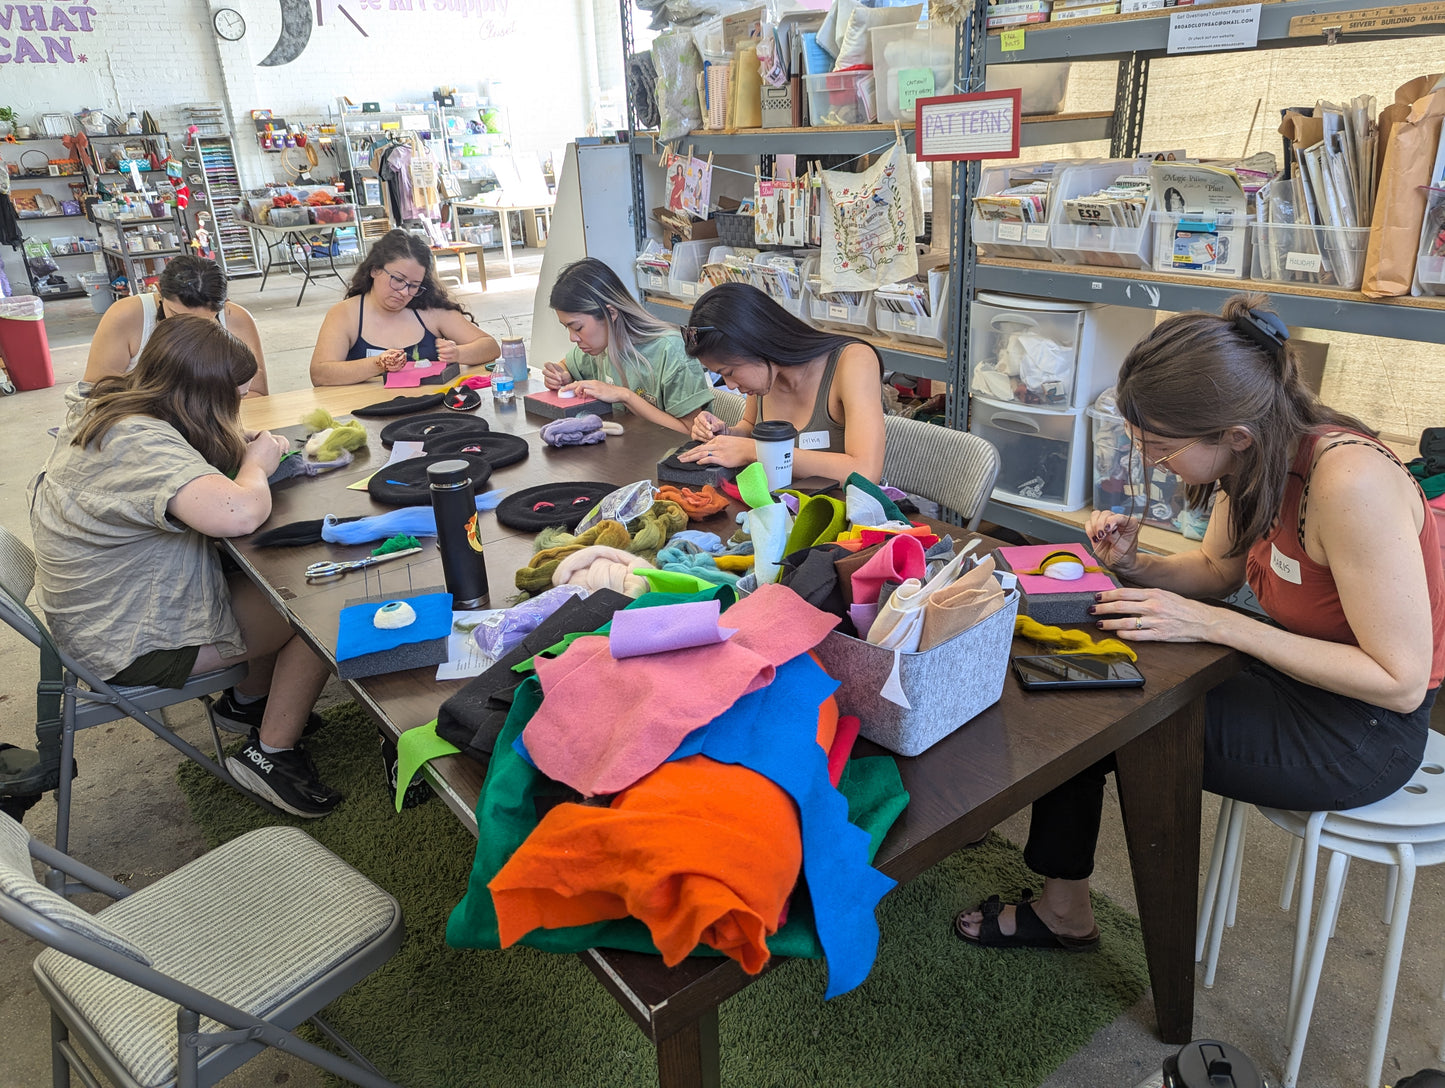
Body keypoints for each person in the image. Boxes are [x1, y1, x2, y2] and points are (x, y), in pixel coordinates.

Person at [956, 294, 1444, 951]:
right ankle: (1050, 890)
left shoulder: (1344, 481)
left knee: (1096, 725)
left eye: (1160, 450)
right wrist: (1135, 566)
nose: (1154, 465)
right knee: (1084, 676)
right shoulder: (1257, 454)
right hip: (1285, 669)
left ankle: (1068, 915)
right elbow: (1216, 570)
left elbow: (1399, 681)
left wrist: (1217, 627)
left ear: (1231, 433)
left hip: (1360, 728)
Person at [30, 316, 344, 819]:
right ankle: (271, 755)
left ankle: (247, 700)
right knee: (320, 603)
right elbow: (239, 513)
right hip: (133, 646)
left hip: (99, 623)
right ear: (202, 396)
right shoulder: (137, 442)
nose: (238, 409)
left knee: (258, 574)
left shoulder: (111, 407)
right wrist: (257, 463)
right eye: (233, 398)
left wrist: (235, 447)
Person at [678, 282, 886, 482]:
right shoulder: (765, 379)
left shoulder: (854, 361)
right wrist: (727, 435)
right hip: (776, 505)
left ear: (756, 343)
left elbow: (865, 471)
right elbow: (750, 427)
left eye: (730, 372)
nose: (730, 385)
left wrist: (753, 451)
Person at [540, 257, 714, 434]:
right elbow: (566, 365)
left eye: (578, 327)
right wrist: (561, 375)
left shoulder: (671, 351)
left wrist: (624, 396)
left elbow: (690, 431)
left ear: (611, 312)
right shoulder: (598, 348)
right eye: (567, 328)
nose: (572, 338)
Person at [310, 228, 500, 386]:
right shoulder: (345, 314)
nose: (404, 292)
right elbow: (320, 373)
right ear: (374, 270)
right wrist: (378, 364)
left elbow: (490, 346)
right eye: (398, 280)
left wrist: (458, 353)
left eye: (414, 285)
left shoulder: (430, 310)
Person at [82, 255, 270, 397]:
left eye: (203, 322)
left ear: (223, 304)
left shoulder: (235, 319)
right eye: (176, 315)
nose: (188, 328)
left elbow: (256, 394)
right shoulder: (126, 316)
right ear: (159, 291)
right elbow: (95, 392)